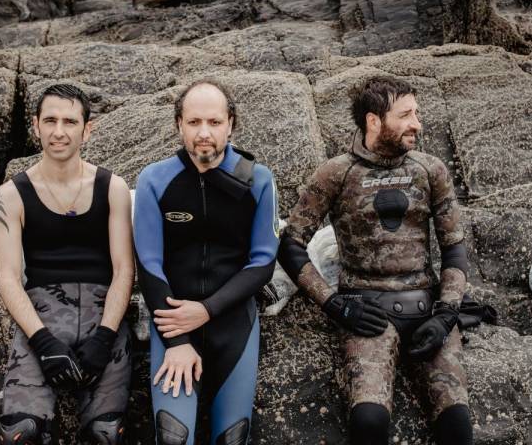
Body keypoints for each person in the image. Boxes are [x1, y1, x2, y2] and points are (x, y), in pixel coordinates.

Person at [278, 76, 473, 445]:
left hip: (428, 307)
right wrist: (334, 305)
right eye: (406, 115)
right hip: (366, 315)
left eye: (417, 112)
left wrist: (447, 314)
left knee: (457, 424)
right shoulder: (336, 173)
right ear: (373, 121)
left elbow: (454, 248)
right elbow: (290, 244)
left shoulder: (430, 169)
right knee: (368, 422)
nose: (417, 123)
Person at [133, 80, 279, 445]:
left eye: (214, 122)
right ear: (178, 124)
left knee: (233, 438)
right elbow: (148, 264)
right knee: (173, 436)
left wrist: (206, 310)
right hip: (173, 323)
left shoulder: (259, 181)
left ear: (231, 123)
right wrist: (179, 340)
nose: (204, 133)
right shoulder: (155, 180)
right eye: (194, 122)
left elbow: (263, 263)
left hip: (233, 324)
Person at [0, 84, 134, 444]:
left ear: (87, 129)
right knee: (19, 433)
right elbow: (8, 277)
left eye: (70, 121)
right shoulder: (11, 195)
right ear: (36, 125)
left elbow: (124, 269)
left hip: (105, 315)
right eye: (50, 120)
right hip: (42, 313)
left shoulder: (112, 187)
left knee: (107, 434)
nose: (59, 131)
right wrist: (42, 341)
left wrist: (104, 338)